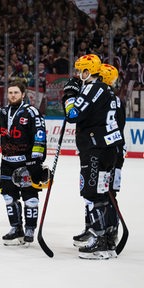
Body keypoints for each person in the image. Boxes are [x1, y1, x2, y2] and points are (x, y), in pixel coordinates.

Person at [62, 54, 124, 260]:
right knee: (100, 192)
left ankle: (100, 241)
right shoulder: (106, 90)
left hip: (96, 148)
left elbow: (72, 114)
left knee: (93, 193)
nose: (78, 74)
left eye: (81, 70)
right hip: (104, 147)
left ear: (89, 71)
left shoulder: (94, 88)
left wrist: (69, 95)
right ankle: (105, 238)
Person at [0, 80, 48, 246]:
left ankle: (30, 229)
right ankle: (16, 227)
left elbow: (40, 135)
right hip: (6, 162)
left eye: (16, 93)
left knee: (30, 197)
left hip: (26, 163)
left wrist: (36, 160)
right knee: (8, 196)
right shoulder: (2, 112)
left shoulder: (31, 112)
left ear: (23, 94)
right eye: (10, 92)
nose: (12, 95)